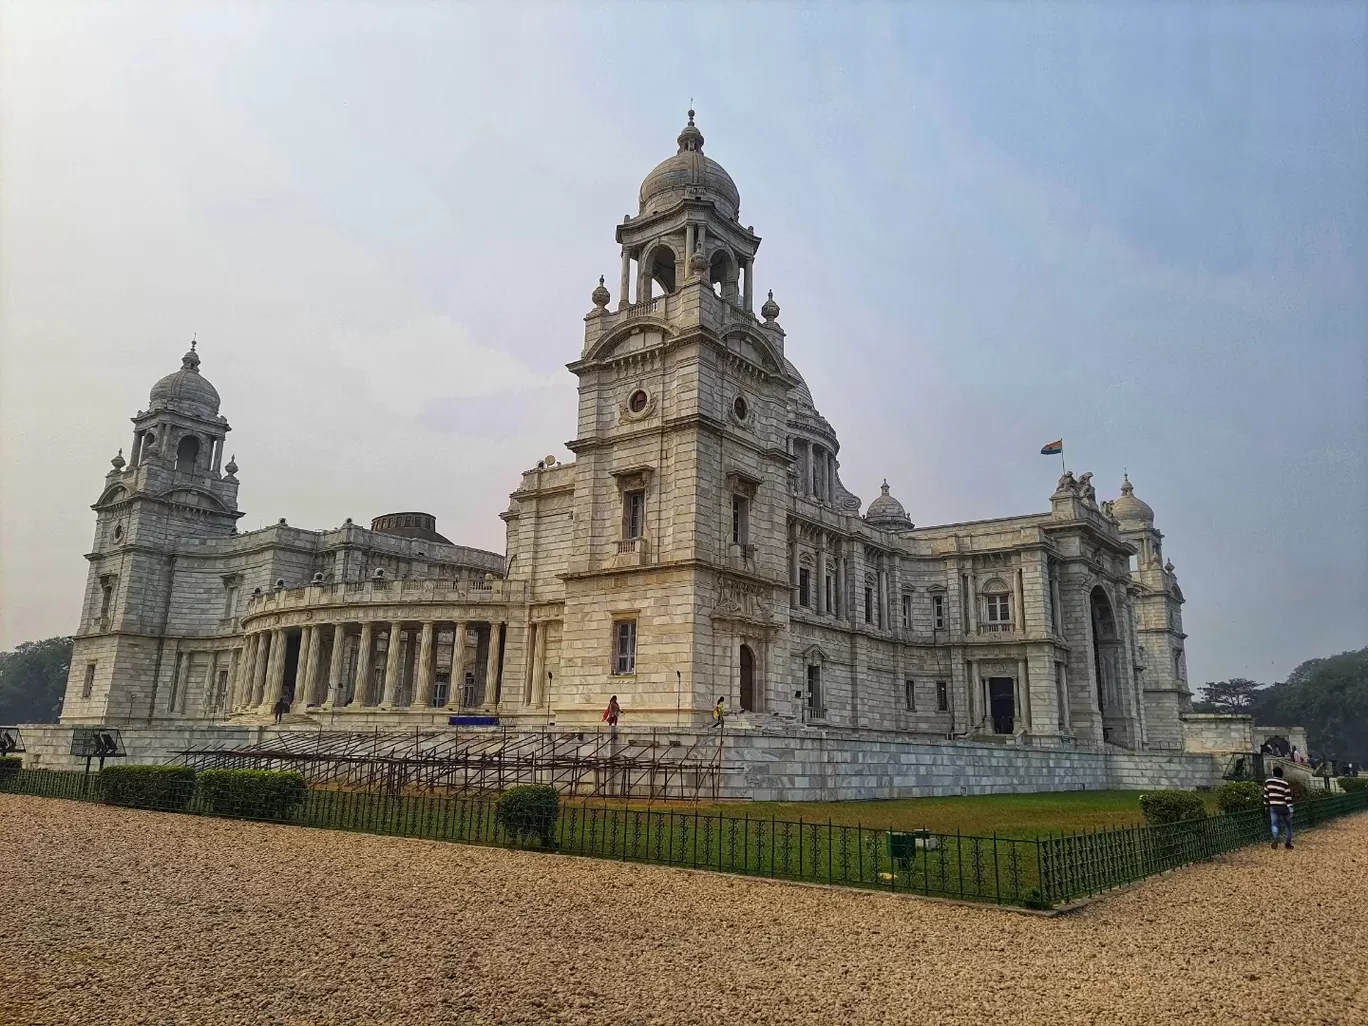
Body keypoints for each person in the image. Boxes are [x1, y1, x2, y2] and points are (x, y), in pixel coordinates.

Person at [1264, 765, 1294, 850]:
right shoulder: (1285, 783)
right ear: (1282, 775)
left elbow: (1266, 795)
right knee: (1288, 825)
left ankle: (1275, 837)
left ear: (1273, 773)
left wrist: (1266, 806)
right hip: (1284, 807)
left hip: (1273, 807)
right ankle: (1287, 844)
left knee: (1274, 824)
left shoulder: (1268, 782)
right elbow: (1288, 797)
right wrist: (1291, 809)